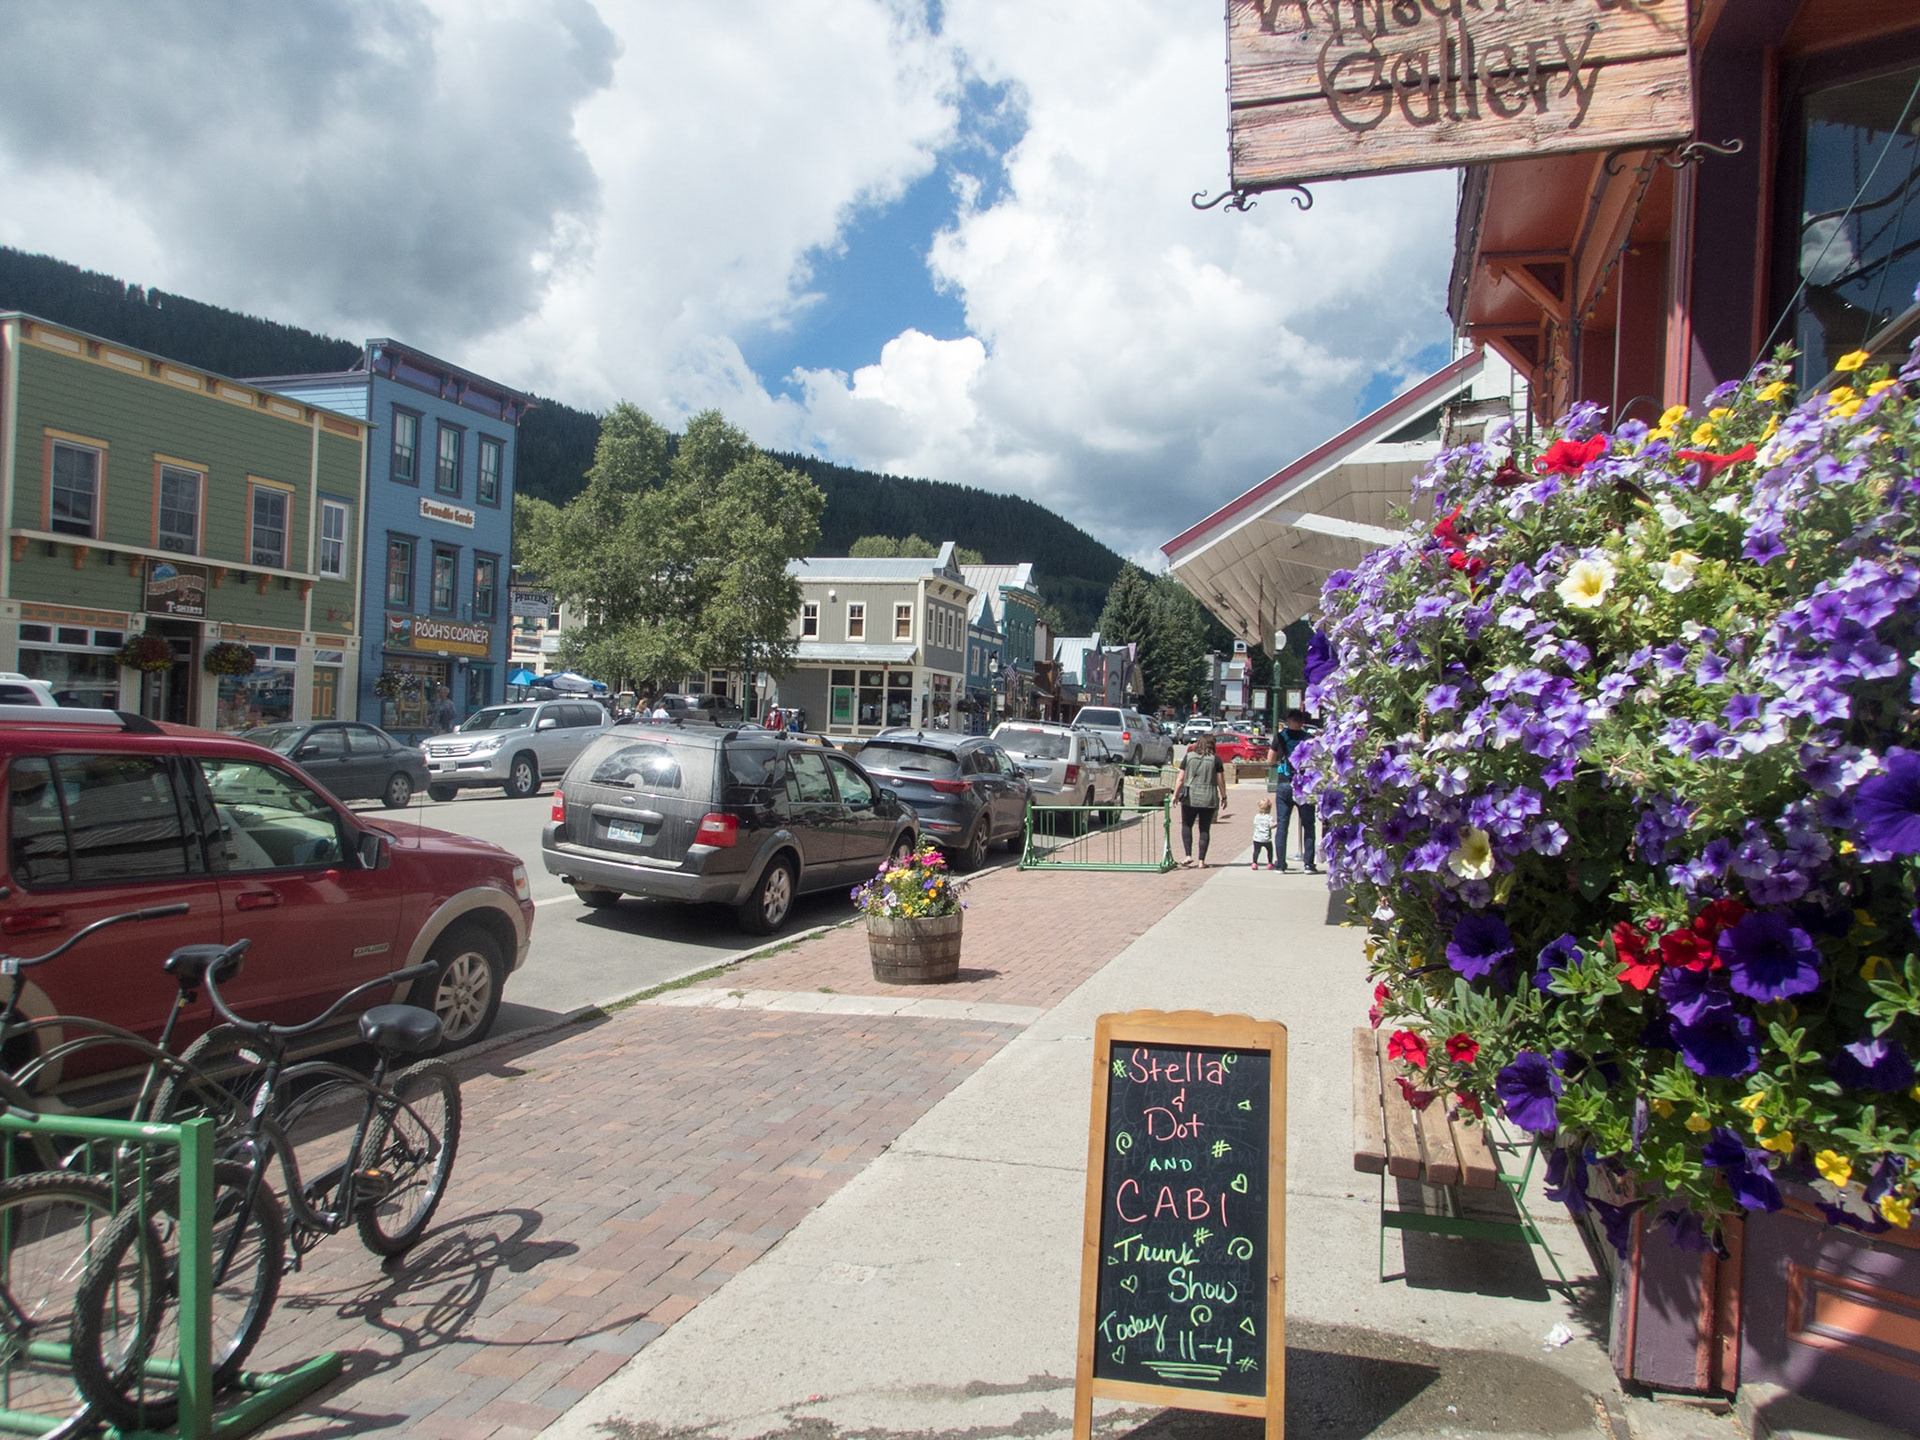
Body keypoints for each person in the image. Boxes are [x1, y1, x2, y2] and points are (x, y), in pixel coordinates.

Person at [1273, 711, 1318, 873]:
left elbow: (1270, 759)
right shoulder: (1308, 739)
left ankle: (1280, 864)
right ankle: (1308, 864)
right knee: (1308, 824)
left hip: (1284, 783)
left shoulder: (1280, 737)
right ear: (1302, 722)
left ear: (1288, 721)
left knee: (1283, 825)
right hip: (1304, 784)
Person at [1174, 734, 1224, 868]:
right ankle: (1201, 861)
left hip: (1190, 797)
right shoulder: (1215, 760)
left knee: (1187, 825)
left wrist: (1175, 795)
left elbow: (1180, 779)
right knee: (1204, 828)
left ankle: (1188, 855)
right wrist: (1224, 796)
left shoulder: (1189, 757)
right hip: (1209, 798)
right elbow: (1220, 780)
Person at [1250, 797, 1275, 870]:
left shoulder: (1256, 816)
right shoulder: (1269, 817)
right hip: (1266, 838)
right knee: (1270, 851)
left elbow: (1255, 824)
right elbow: (1271, 826)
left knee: (1256, 851)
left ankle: (1254, 863)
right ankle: (1270, 863)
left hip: (1257, 838)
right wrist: (1277, 823)